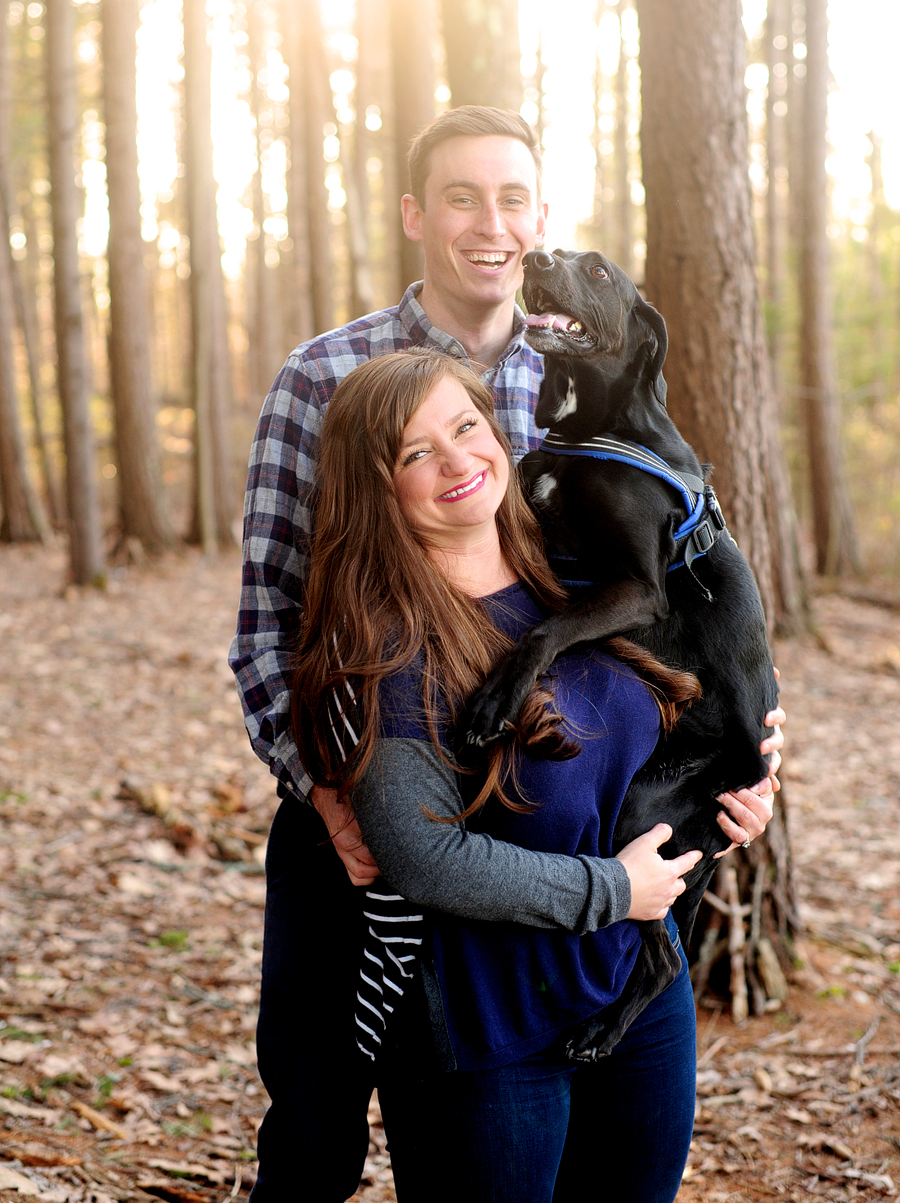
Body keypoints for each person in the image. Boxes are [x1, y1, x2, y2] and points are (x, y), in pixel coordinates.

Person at [229, 106, 786, 1200]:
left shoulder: (583, 367)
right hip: (378, 786)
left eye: (514, 199)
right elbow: (266, 626)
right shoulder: (325, 374)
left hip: (553, 794)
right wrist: (333, 793)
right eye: (461, 197)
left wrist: (741, 744)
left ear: (539, 219)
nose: (492, 224)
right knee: (315, 1124)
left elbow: (661, 592)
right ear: (415, 216)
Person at [291, 347, 778, 1202]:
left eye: (466, 426)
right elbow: (423, 857)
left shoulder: (573, 575)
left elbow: (680, 701)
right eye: (415, 453)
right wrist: (613, 891)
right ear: (379, 486)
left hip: (636, 989)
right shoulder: (386, 647)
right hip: (490, 1035)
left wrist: (746, 775)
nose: (456, 460)